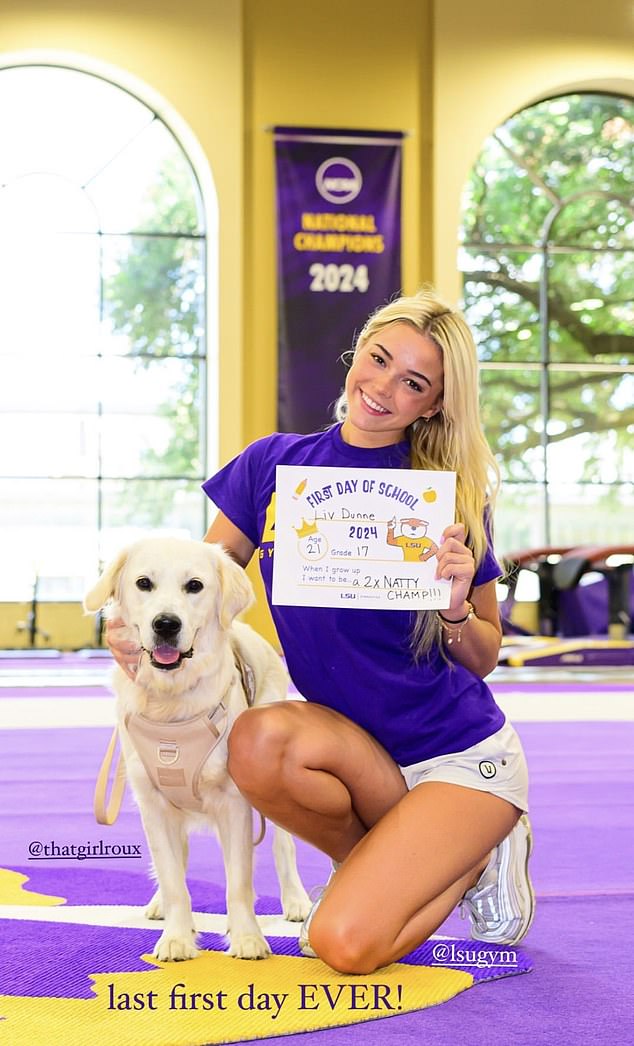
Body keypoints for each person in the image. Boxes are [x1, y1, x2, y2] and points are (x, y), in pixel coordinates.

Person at [107, 288, 534, 975]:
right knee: (257, 739)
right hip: (352, 753)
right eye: (379, 359)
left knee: (343, 945)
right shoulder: (272, 466)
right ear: (356, 353)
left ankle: (476, 851)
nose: (383, 387)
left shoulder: (449, 495)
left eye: (414, 382)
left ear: (436, 404)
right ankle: (384, 858)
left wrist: (455, 605)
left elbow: (483, 656)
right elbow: (199, 582)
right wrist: (133, 630)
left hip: (454, 755)